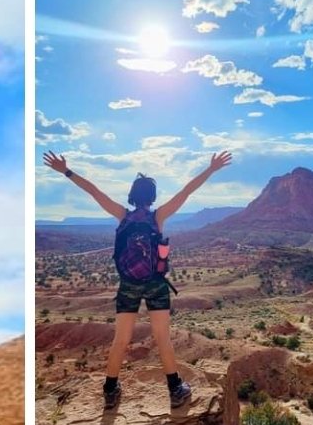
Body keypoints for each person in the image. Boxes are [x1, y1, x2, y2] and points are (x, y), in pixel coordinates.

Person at [42, 149, 233, 409]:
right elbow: (186, 192)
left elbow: (94, 192)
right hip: (155, 283)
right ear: (152, 198)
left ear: (132, 195)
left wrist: (66, 170)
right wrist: (211, 170)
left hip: (128, 285)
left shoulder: (122, 215)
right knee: (162, 337)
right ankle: (175, 389)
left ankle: (110, 390)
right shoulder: (158, 217)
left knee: (120, 339)